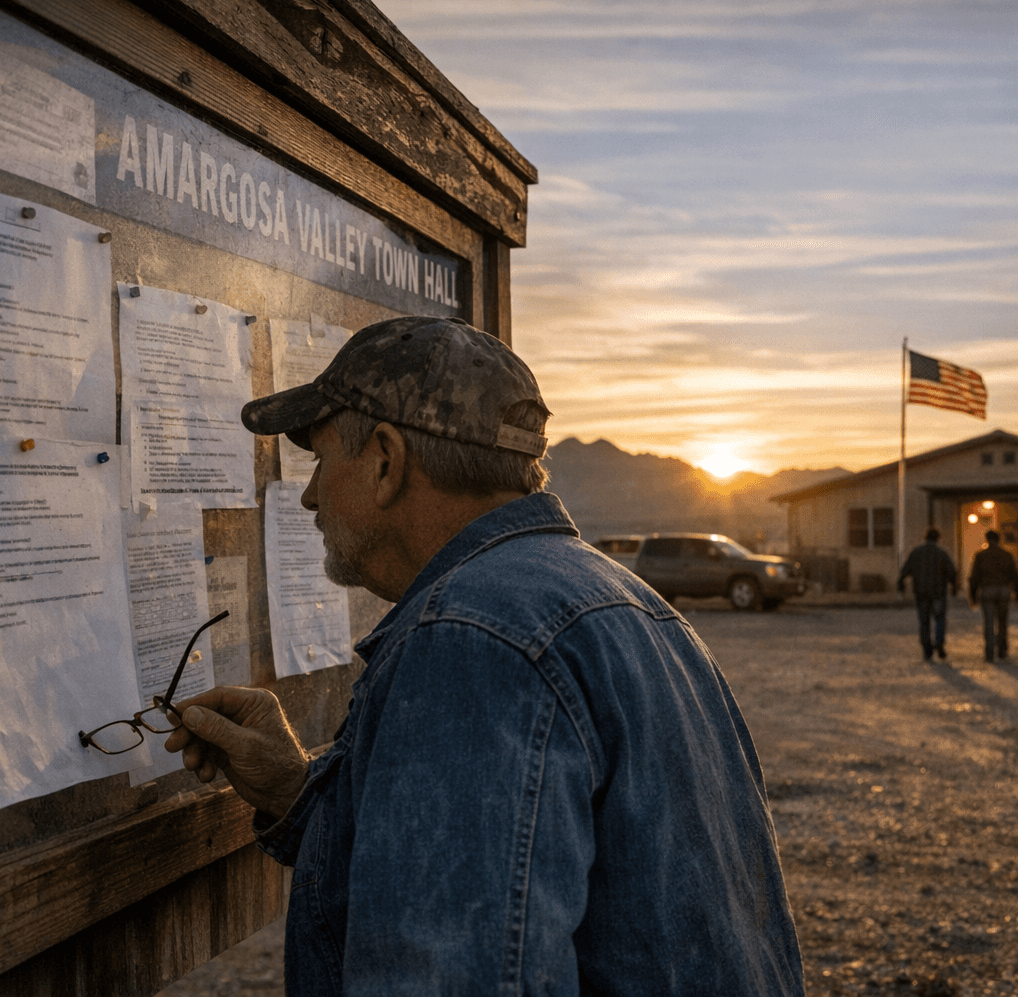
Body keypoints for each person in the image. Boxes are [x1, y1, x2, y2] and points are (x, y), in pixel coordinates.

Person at [164, 316, 805, 996]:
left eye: (321, 459)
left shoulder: (469, 641)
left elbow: (453, 974)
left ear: (385, 460)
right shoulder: (624, 601)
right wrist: (297, 791)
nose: (311, 494)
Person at [898, 526, 957, 662]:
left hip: (921, 593)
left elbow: (905, 570)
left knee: (924, 622)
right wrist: (953, 586)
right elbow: (951, 571)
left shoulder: (916, 553)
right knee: (940, 619)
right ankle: (939, 642)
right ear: (938, 538)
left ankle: (927, 649)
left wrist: (900, 584)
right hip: (938, 593)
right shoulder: (942, 553)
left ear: (925, 537)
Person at [968, 530, 1018, 663]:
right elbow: (1015, 575)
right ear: (999, 540)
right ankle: (1002, 649)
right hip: (1004, 590)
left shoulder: (980, 555)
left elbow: (974, 577)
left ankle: (989, 652)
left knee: (989, 622)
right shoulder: (1007, 555)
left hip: (987, 590)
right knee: (1002, 622)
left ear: (987, 539)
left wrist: (972, 596)